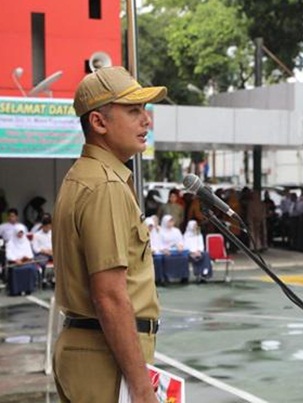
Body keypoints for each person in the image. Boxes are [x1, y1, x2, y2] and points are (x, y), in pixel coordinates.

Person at [52, 66, 166, 402]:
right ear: (99, 123)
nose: (146, 121)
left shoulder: (86, 176)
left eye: (145, 110)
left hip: (91, 351)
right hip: (104, 358)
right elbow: (110, 296)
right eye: (133, 111)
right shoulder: (105, 186)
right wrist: (142, 388)